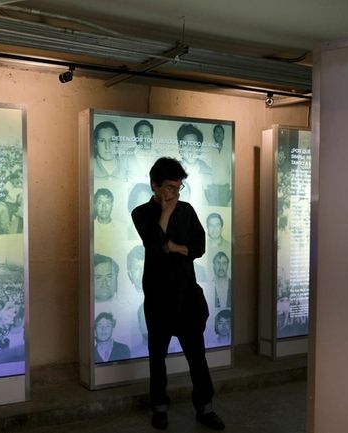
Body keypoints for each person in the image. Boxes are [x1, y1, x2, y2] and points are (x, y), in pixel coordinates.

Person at [131, 157, 225, 431]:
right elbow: (153, 245)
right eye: (170, 187)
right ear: (155, 185)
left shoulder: (188, 210)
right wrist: (166, 214)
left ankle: (205, 407)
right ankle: (159, 407)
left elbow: (199, 246)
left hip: (187, 297)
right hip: (158, 298)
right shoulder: (141, 213)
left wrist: (174, 247)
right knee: (157, 357)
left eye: (179, 188)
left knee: (197, 356)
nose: (175, 193)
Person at [204, 124, 232, 206]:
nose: (219, 134)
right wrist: (206, 190)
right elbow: (206, 172)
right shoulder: (209, 151)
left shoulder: (228, 152)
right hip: (211, 189)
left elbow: (232, 173)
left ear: (223, 135)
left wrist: (230, 190)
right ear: (213, 135)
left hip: (225, 188)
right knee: (212, 212)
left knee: (223, 213)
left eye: (221, 132)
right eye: (217, 132)